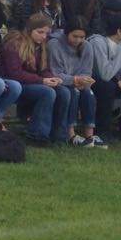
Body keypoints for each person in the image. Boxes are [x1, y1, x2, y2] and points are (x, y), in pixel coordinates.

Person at [0, 13, 71, 145]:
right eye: (40, 32)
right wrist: (42, 81)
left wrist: (52, 78)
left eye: (46, 33)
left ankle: (58, 135)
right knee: (47, 92)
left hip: (33, 82)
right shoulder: (15, 43)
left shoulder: (41, 46)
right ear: (30, 30)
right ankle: (37, 135)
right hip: (14, 84)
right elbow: (15, 73)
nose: (43, 36)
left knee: (63, 92)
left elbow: (43, 70)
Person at [88, 11, 121, 144]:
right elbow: (104, 74)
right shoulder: (98, 42)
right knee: (108, 86)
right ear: (119, 31)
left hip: (112, 79)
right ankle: (102, 131)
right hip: (93, 80)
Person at [49, 17, 98, 146]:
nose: (78, 40)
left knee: (89, 94)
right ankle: (70, 134)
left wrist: (84, 80)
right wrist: (74, 80)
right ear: (67, 33)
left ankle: (90, 135)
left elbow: (87, 70)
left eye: (82, 37)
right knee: (73, 92)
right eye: (75, 36)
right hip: (59, 82)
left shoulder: (87, 46)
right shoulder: (54, 44)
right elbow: (55, 71)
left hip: (78, 82)